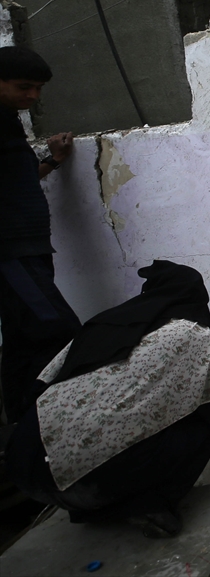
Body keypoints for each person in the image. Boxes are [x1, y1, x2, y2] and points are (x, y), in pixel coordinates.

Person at [4, 261, 210, 538]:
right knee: (209, 419)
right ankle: (150, 504)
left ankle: (93, 509)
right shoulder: (191, 333)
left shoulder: (104, 323)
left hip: (23, 466)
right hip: (87, 484)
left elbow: (40, 385)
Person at [0, 46, 81, 423]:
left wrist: (52, 161)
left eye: (38, 89)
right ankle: (45, 423)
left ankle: (20, 427)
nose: (32, 96)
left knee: (22, 338)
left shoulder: (8, 120)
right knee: (58, 328)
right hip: (10, 251)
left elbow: (17, 181)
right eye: (24, 87)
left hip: (30, 247)